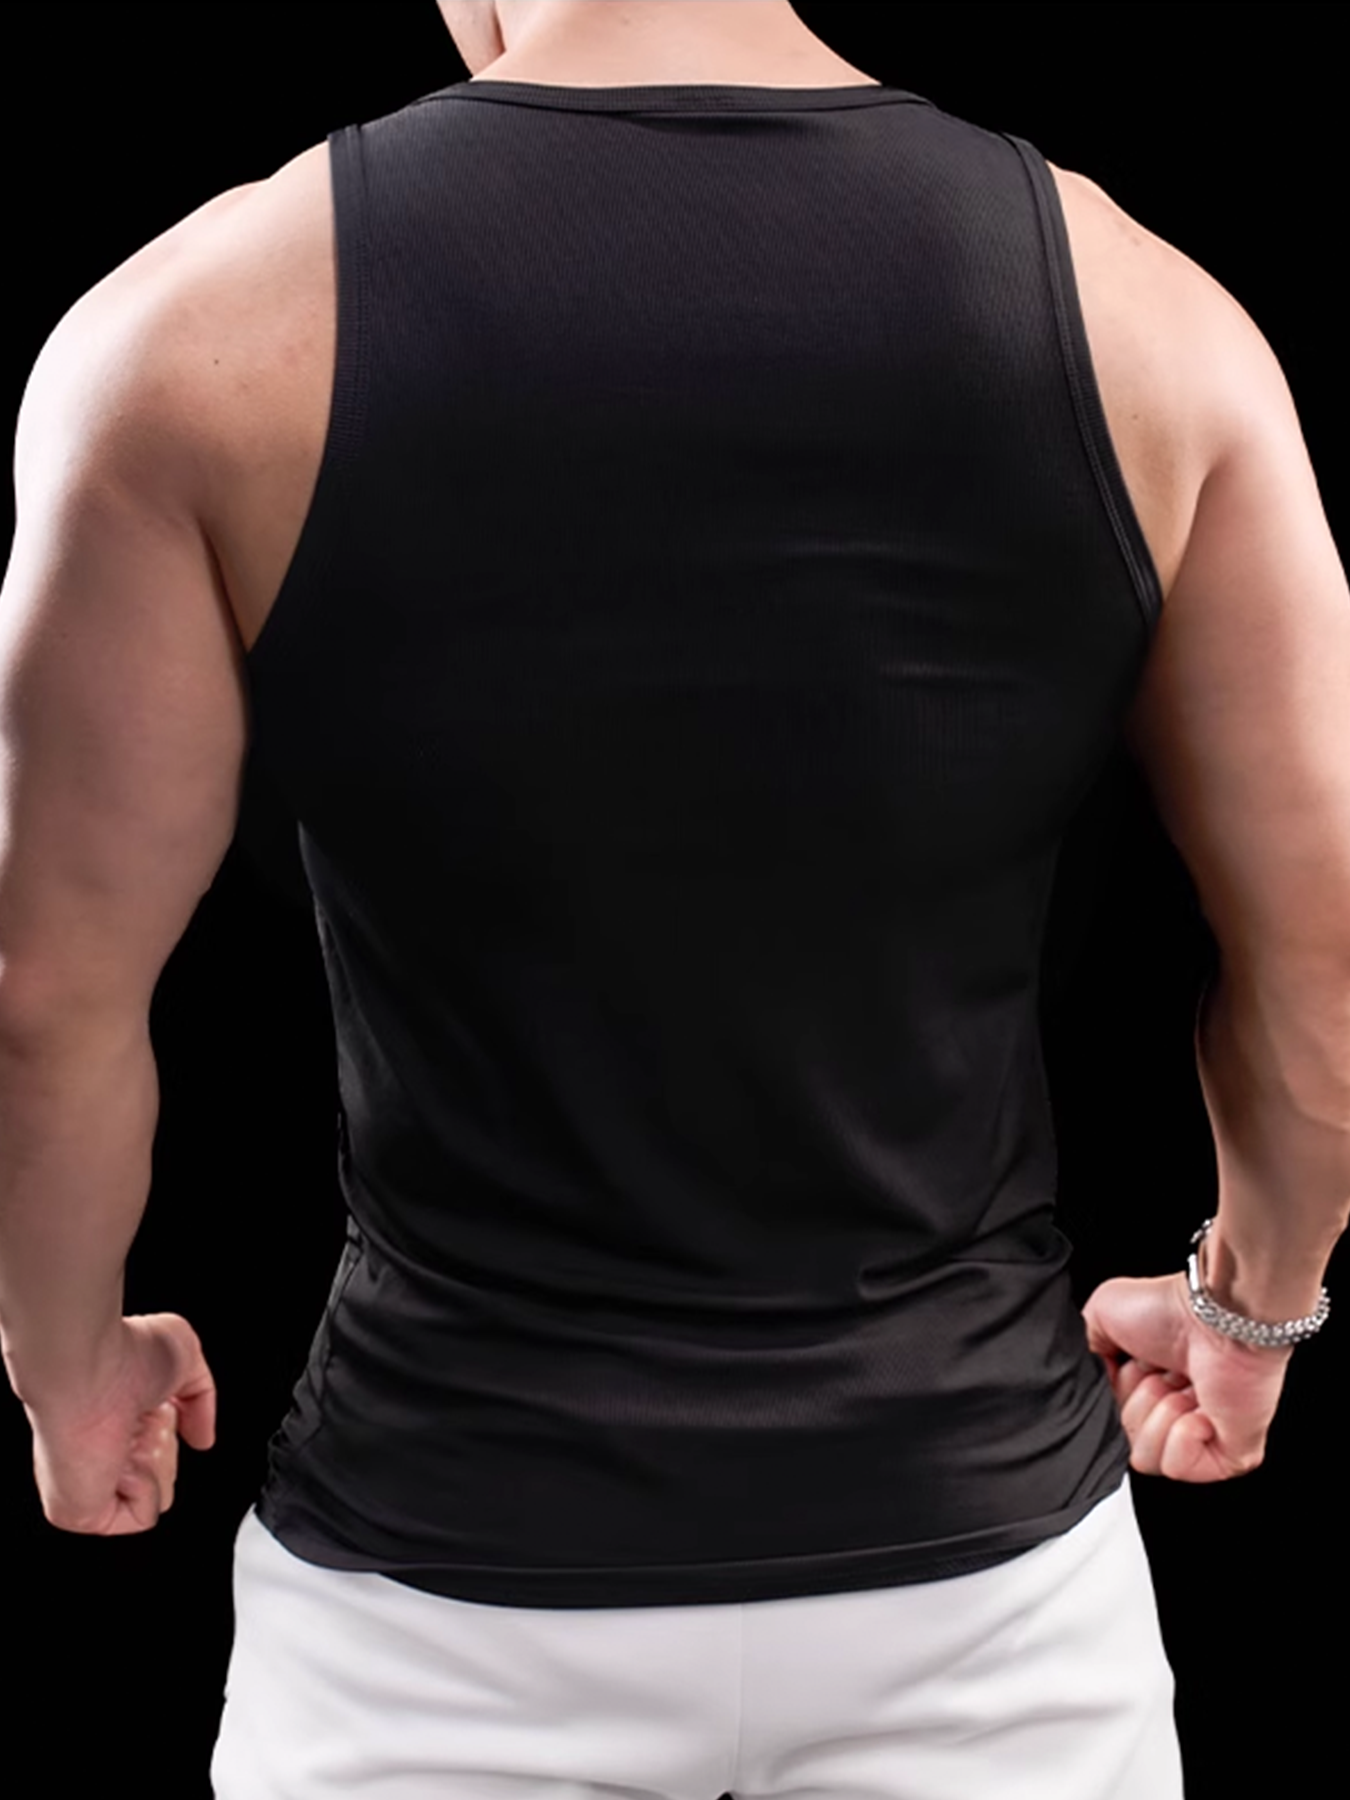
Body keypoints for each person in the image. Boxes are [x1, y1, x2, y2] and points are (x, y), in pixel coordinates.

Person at [0, 2, 1344, 1796]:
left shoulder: (191, 332)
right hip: (987, 1603)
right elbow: (1319, 966)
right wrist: (1248, 1311)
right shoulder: (1154, 321)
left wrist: (68, 1360)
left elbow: (48, 997)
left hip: (431, 1616)